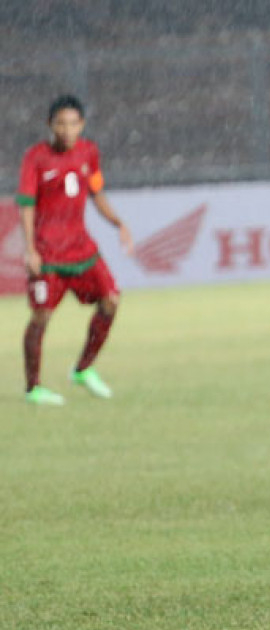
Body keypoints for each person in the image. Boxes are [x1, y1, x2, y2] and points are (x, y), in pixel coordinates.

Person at [17, 95, 132, 405]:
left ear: (81, 125)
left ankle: (83, 369)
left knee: (111, 300)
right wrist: (30, 249)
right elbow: (26, 205)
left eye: (72, 124)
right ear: (50, 125)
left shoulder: (88, 153)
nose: (67, 130)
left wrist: (117, 222)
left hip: (82, 251)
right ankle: (33, 388)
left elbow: (96, 192)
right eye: (60, 124)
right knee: (40, 316)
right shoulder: (36, 157)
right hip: (48, 254)